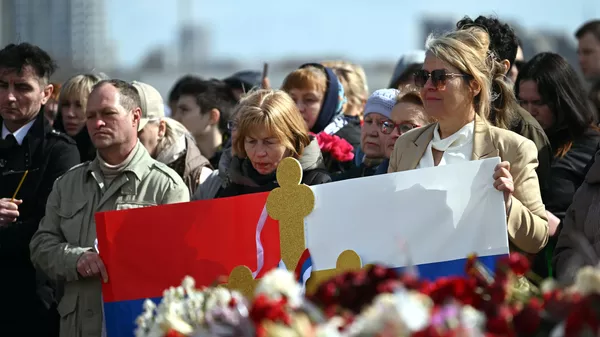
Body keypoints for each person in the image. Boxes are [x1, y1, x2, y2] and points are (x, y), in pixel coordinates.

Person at [30, 79, 189, 337]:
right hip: (78, 327)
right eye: (91, 116)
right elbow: (40, 245)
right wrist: (76, 258)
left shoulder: (166, 187)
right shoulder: (68, 183)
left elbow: (178, 264)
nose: (97, 123)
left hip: (135, 326)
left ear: (135, 117)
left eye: (108, 114)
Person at [388, 27, 549, 254]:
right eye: (423, 77)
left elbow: (539, 238)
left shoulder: (513, 148)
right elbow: (388, 222)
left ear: (474, 85)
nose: (428, 86)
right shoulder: (405, 145)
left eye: (440, 78)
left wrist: (508, 205)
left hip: (477, 284)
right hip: (415, 281)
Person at [0, 42, 80, 337]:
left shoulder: (60, 151)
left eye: (22, 87)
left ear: (46, 94)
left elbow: (52, 228)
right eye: (2, 85)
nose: (9, 96)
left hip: (32, 302)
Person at [516, 52, 600, 277]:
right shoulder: (515, 143)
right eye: (522, 102)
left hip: (570, 272)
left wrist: (556, 227)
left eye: (538, 103)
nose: (528, 111)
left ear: (562, 100)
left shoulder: (592, 147)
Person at [456, 16, 553, 197]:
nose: (461, 63)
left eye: (472, 56)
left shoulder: (523, 128)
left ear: (503, 66)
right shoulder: (442, 113)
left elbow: (537, 211)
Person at [215, 89, 331, 198]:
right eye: (251, 141)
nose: (259, 153)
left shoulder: (317, 184)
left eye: (269, 142)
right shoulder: (234, 186)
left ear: (293, 139)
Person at [134, 80, 213, 196]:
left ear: (161, 129)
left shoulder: (197, 177)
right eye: (123, 132)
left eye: (138, 131)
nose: (130, 140)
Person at [281, 63, 359, 174]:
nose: (298, 108)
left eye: (309, 100)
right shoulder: (279, 139)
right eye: (292, 99)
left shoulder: (351, 144)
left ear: (329, 104)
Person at [334, 89, 398, 181]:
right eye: (368, 121)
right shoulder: (345, 173)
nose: (372, 132)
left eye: (384, 124)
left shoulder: (400, 179)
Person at [174, 78, 237, 168]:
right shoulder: (179, 162)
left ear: (213, 116)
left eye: (184, 110)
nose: (176, 118)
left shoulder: (236, 164)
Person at [376, 85, 434, 174]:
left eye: (406, 127)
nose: (393, 134)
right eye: (390, 125)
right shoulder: (377, 174)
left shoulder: (435, 175)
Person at [53, 73, 109, 162]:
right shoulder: (47, 148)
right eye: (65, 105)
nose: (70, 113)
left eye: (79, 105)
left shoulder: (108, 157)